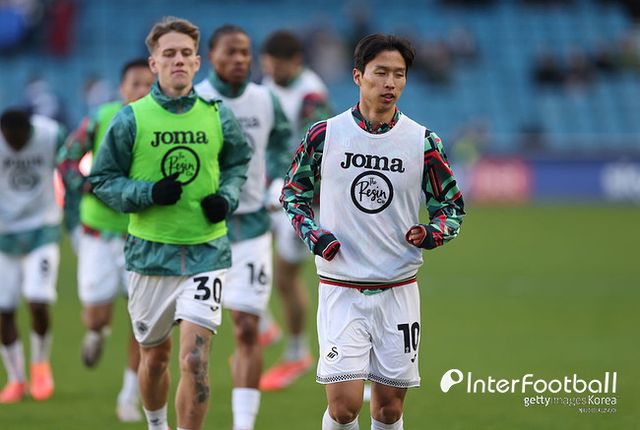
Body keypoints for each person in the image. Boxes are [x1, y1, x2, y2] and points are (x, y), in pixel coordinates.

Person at [281, 34, 465, 430]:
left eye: (399, 74)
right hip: (341, 287)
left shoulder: (423, 141)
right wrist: (315, 236)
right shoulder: (324, 134)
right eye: (381, 73)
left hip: (398, 288)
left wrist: (432, 233)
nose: (390, 83)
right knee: (344, 407)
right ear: (358, 76)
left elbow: (451, 207)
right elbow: (293, 194)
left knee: (388, 410)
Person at [88, 17, 251, 430]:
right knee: (155, 358)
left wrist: (227, 197)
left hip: (207, 251)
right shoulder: (130, 119)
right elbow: (102, 180)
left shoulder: (217, 115)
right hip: (149, 255)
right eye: (169, 54)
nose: (178, 60)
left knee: (195, 360)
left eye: (185, 54)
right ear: (154, 63)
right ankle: (157, 423)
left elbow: (238, 162)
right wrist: (147, 194)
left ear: (197, 62)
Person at [195, 24, 291, 430]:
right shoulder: (195, 99)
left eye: (245, 52)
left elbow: (284, 141)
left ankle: (243, 425)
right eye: (230, 52)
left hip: (252, 228)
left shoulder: (265, 99)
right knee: (195, 341)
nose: (239, 60)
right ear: (211, 56)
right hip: (201, 232)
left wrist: (278, 178)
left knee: (248, 327)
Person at [56, 58, 154, 422]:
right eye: (136, 83)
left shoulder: (164, 122)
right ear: (121, 88)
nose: (142, 90)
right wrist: (87, 187)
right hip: (97, 232)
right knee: (96, 316)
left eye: (149, 84)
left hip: (142, 234)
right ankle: (96, 332)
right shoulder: (101, 118)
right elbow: (67, 158)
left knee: (143, 322)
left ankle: (128, 396)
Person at [258, 30, 332, 392]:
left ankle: (297, 351)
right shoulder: (267, 86)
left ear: (296, 62)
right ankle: (263, 326)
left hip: (302, 197)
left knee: (286, 276)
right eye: (267, 65)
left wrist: (286, 183)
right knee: (240, 248)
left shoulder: (311, 95)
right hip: (273, 186)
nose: (271, 72)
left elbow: (312, 144)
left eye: (277, 66)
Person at [0, 108, 66, 403]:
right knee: (4, 309)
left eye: (19, 139)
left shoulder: (51, 134)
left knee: (38, 301)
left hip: (42, 227)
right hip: (4, 234)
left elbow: (71, 165)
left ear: (30, 132)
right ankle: (16, 379)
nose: (14, 145)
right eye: (9, 140)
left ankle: (40, 365)